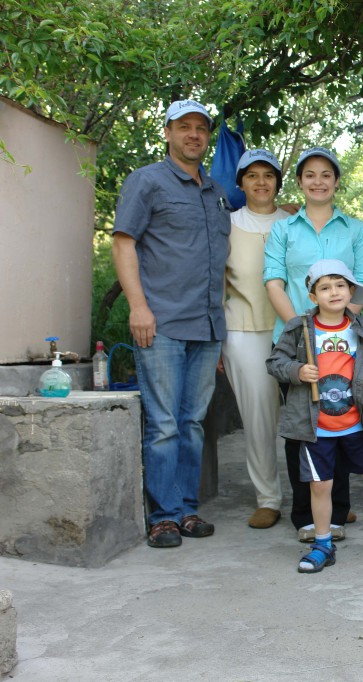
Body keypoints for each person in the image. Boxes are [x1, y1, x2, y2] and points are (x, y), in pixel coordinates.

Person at [112, 99, 230, 548]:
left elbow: (218, 263)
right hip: (160, 323)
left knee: (193, 421)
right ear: (168, 132)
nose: (194, 135)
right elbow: (124, 246)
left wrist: (218, 325)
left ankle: (185, 509)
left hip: (207, 327)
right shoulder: (147, 182)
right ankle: (162, 516)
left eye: (201, 128)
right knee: (164, 423)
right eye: (185, 127)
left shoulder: (217, 191)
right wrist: (138, 307)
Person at [264, 146, 363, 543]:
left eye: (326, 174)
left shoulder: (355, 229)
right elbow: (273, 280)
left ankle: (338, 513)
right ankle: (305, 517)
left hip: (344, 343)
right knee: (303, 430)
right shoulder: (284, 229)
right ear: (299, 182)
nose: (318, 180)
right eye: (309, 174)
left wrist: (342, 323)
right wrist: (301, 328)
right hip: (296, 342)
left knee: (342, 425)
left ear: (336, 181)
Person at [267, 260, 363, 572]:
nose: (334, 292)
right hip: (318, 428)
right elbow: (275, 362)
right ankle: (323, 542)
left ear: (351, 291)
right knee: (320, 486)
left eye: (340, 285)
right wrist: (297, 370)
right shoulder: (299, 330)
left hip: (357, 423)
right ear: (313, 297)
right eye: (325, 287)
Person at [221, 149, 291, 529]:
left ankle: (323, 493)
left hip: (293, 329)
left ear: (278, 182)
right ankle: (268, 498)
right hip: (244, 330)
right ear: (241, 182)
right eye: (252, 175)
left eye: (268, 175)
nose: (261, 182)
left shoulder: (294, 221)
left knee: (311, 414)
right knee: (259, 418)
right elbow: (216, 282)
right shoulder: (226, 224)